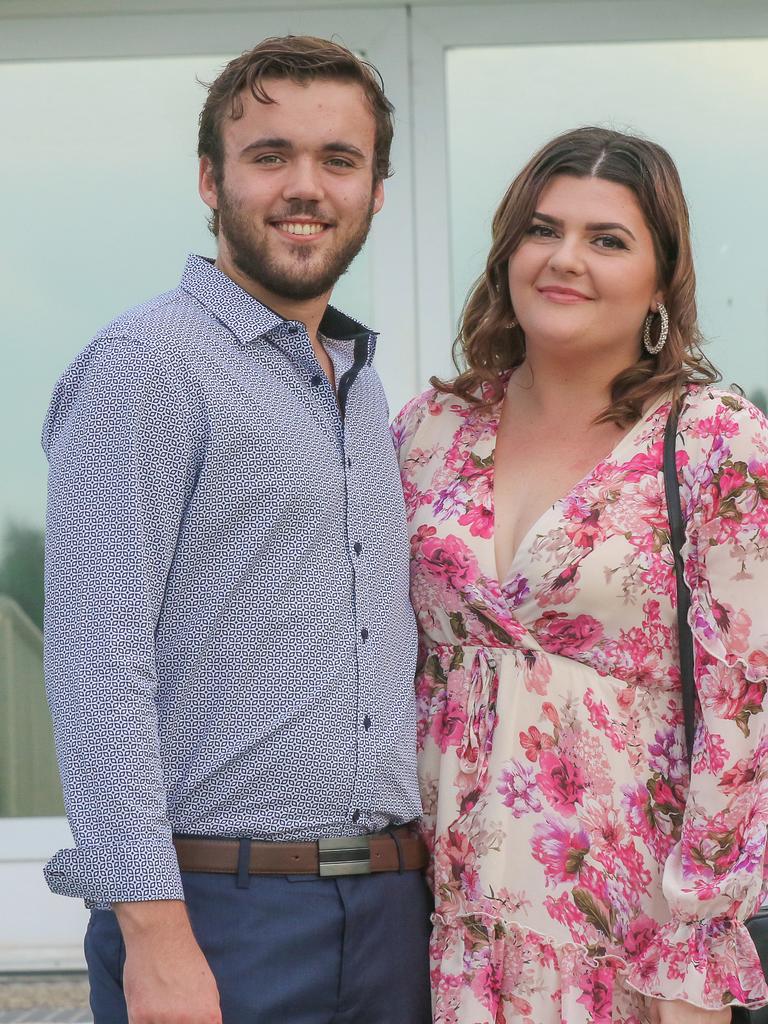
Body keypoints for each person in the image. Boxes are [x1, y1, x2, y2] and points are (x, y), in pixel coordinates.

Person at [42, 35, 431, 1024]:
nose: (306, 186)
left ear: (376, 192)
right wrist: (156, 936)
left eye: (338, 160)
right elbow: (99, 664)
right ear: (211, 180)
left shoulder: (363, 384)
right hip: (220, 918)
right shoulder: (147, 362)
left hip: (391, 915)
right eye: (270, 156)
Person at [393, 126, 768, 1024]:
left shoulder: (715, 440)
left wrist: (693, 950)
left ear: (658, 280)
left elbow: (748, 701)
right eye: (542, 229)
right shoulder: (429, 431)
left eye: (608, 239)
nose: (566, 259)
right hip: (431, 919)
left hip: (624, 926)